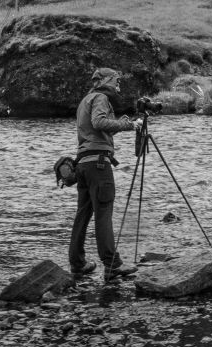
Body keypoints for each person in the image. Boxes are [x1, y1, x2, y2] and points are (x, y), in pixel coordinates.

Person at [69, 67, 143, 282]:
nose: (119, 84)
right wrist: (129, 125)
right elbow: (99, 122)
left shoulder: (86, 100)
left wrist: (120, 124)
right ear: (106, 80)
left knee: (82, 215)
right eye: (117, 80)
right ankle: (112, 265)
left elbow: (95, 127)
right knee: (103, 215)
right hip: (99, 166)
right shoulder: (101, 97)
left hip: (83, 165)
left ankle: (77, 264)